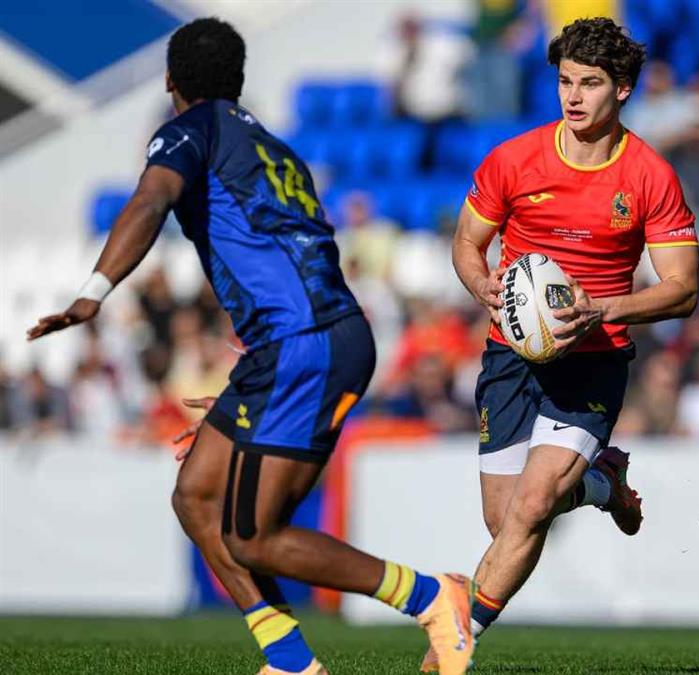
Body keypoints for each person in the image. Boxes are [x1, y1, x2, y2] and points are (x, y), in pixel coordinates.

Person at [26, 18, 474, 675]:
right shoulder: (280, 152)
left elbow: (150, 201)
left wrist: (95, 291)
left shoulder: (188, 129)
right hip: (298, 343)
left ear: (171, 82)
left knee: (254, 536)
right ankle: (289, 659)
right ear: (237, 80)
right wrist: (253, 382)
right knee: (197, 496)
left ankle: (434, 598)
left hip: (303, 345)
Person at [436, 16, 699, 670]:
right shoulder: (514, 159)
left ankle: (450, 646)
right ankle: (605, 483)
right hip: (510, 356)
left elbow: (683, 288)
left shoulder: (648, 176)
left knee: (531, 506)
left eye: (590, 83)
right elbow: (468, 244)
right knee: (506, 523)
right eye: (564, 82)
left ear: (625, 90)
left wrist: (603, 309)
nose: (573, 96)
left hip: (594, 361)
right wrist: (482, 287)